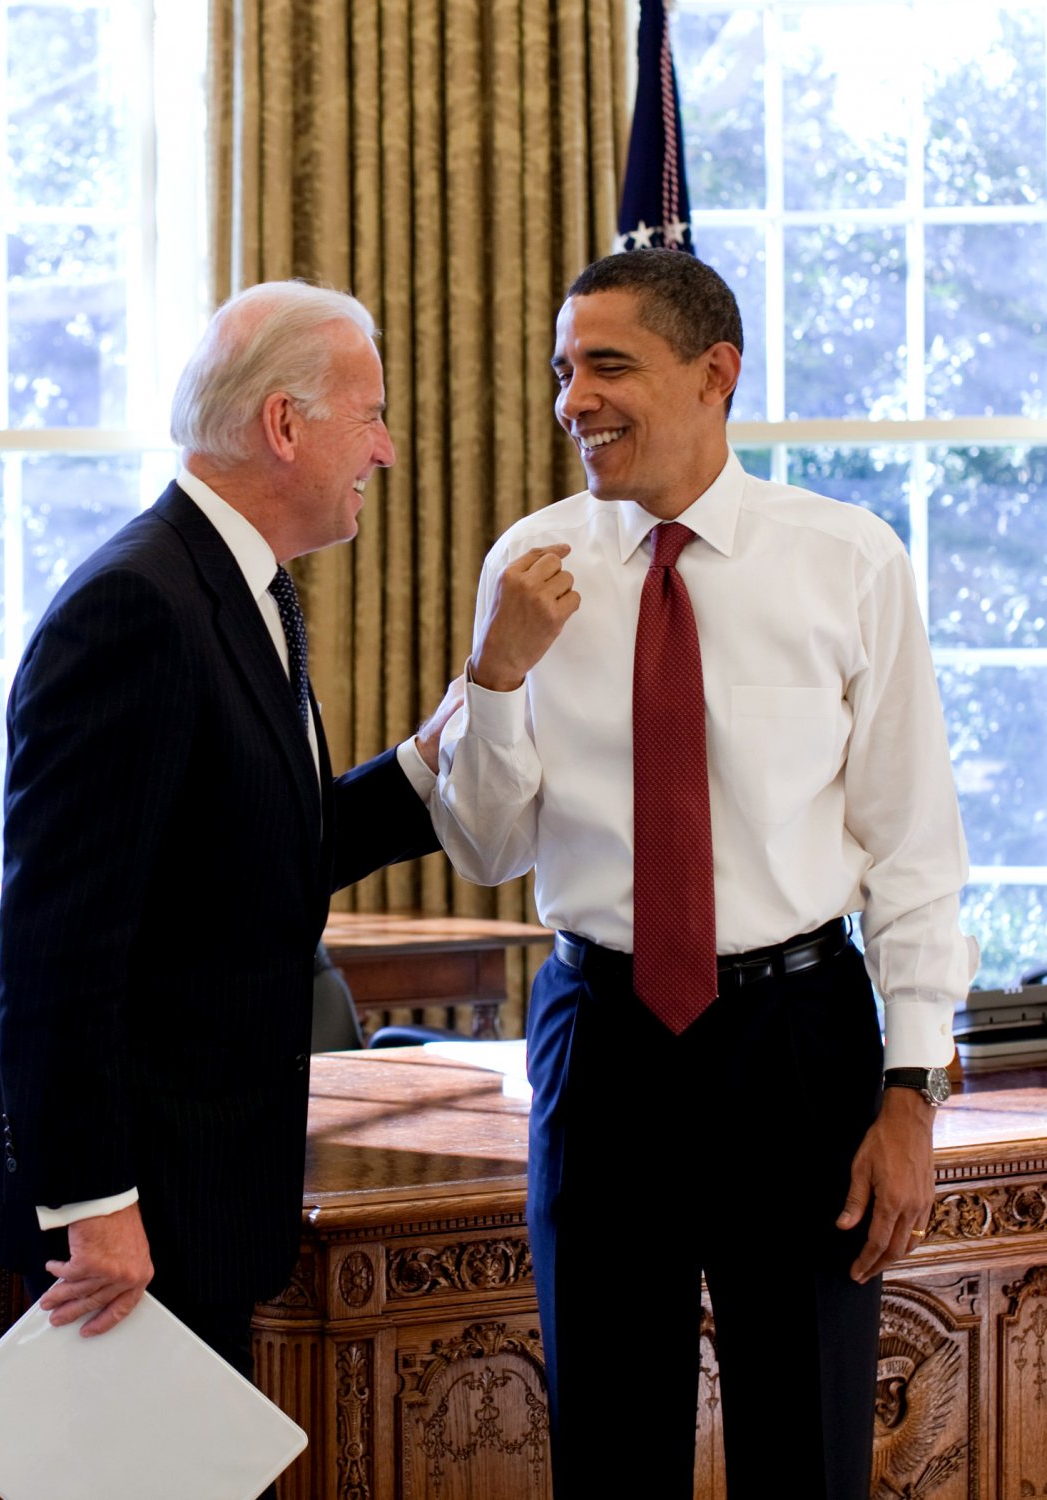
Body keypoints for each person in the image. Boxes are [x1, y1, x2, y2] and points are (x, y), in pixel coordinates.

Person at [408, 250, 976, 1498]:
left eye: (608, 365)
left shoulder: (849, 561)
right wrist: (496, 677)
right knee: (609, 1446)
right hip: (600, 1038)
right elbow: (490, 848)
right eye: (565, 371)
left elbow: (915, 850)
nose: (575, 401)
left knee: (808, 1443)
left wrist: (911, 1098)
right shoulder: (532, 566)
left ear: (714, 374)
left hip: (798, 1040)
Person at [0, 281, 457, 1385]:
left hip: (199, 1197)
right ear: (285, 425)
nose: (384, 449)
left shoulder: (246, 588)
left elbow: (266, 857)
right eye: (368, 415)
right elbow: (58, 953)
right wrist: (96, 1212)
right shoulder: (138, 607)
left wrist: (439, 748)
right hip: (123, 1229)